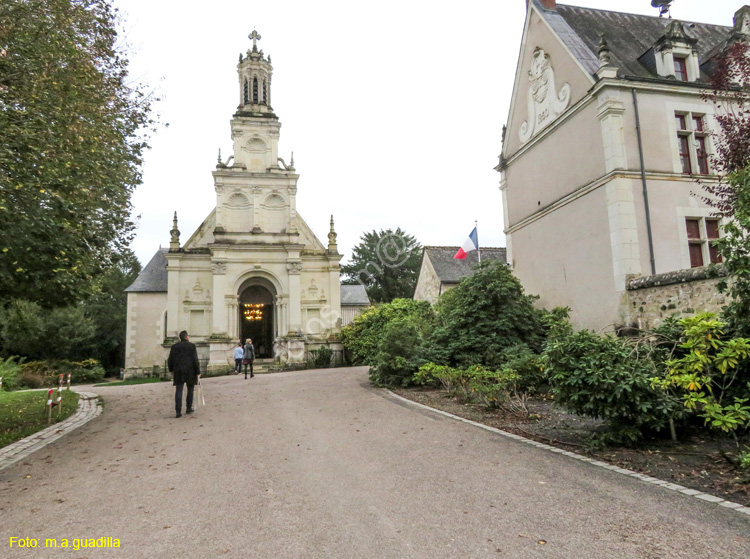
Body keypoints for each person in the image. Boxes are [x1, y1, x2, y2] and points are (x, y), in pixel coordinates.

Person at [167, 330, 201, 418]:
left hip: (178, 371)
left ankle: (178, 411)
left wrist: (171, 369)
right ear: (187, 337)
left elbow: (170, 360)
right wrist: (198, 372)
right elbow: (195, 360)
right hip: (190, 371)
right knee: (190, 389)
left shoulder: (174, 347)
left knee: (179, 390)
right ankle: (188, 407)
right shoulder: (192, 346)